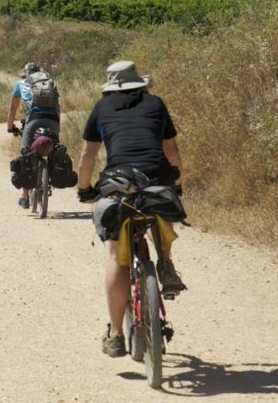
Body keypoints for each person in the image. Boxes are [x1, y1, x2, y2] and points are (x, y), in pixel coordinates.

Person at [75, 60, 186, 358]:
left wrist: (84, 189)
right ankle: (165, 262)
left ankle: (115, 334)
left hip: (117, 182)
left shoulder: (102, 108)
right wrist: (177, 185)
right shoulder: (156, 104)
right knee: (163, 201)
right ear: (141, 84)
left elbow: (88, 153)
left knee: (117, 257)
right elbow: (171, 150)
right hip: (155, 178)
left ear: (110, 86)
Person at [6, 61, 61, 209]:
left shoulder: (21, 84)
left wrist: (10, 127)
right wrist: (57, 128)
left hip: (34, 119)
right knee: (55, 149)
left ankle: (25, 197)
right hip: (53, 121)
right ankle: (53, 173)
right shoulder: (49, 83)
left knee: (26, 155)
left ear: (26, 74)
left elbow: (12, 109)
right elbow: (58, 108)